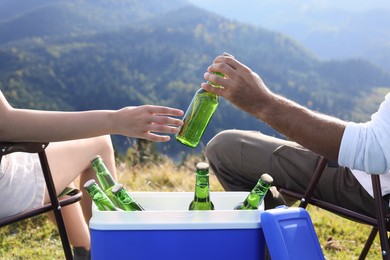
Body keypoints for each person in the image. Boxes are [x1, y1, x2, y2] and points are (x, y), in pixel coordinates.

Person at [0, 90, 183, 259]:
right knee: (99, 143)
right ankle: (108, 251)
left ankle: (87, 251)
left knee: (62, 168)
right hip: (6, 190)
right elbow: (5, 124)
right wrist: (115, 120)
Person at [202, 53, 390, 217]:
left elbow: (374, 151)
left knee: (225, 149)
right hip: (376, 179)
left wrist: (263, 103)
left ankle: (280, 241)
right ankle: (280, 217)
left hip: (373, 187)